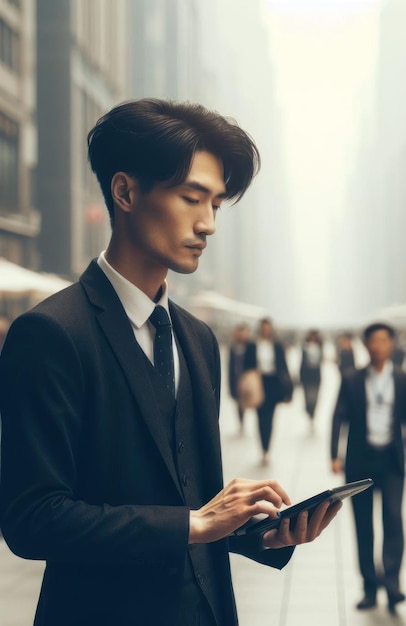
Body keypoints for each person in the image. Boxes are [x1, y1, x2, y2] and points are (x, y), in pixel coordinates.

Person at [0, 99, 340, 626]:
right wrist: (193, 525)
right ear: (126, 192)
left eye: (217, 205)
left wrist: (261, 533)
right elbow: (31, 519)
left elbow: (193, 502)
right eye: (191, 198)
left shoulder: (198, 338)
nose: (207, 224)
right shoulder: (51, 333)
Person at [331, 322, 406, 615]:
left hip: (393, 461)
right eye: (373, 341)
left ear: (392, 345)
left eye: (384, 341)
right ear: (366, 345)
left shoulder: (405, 380)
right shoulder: (351, 378)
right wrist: (334, 453)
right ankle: (370, 586)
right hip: (360, 461)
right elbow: (338, 416)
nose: (379, 346)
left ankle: (393, 584)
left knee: (394, 520)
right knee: (363, 524)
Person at [243, 317, 292, 465]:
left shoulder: (277, 346)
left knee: (270, 417)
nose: (266, 330)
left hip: (273, 384)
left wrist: (289, 389)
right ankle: (263, 447)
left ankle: (267, 448)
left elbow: (283, 367)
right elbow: (246, 366)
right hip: (258, 382)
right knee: (260, 416)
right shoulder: (252, 345)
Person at [228, 323, 251, 434]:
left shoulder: (250, 347)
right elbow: (230, 367)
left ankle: (243, 419)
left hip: (247, 379)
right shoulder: (233, 348)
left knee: (245, 401)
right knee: (239, 402)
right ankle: (241, 421)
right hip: (236, 379)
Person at [299, 329, 323, 432]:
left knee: (315, 397)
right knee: (308, 397)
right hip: (307, 377)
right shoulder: (305, 347)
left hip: (316, 376)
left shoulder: (319, 347)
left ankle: (312, 414)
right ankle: (310, 414)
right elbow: (302, 362)